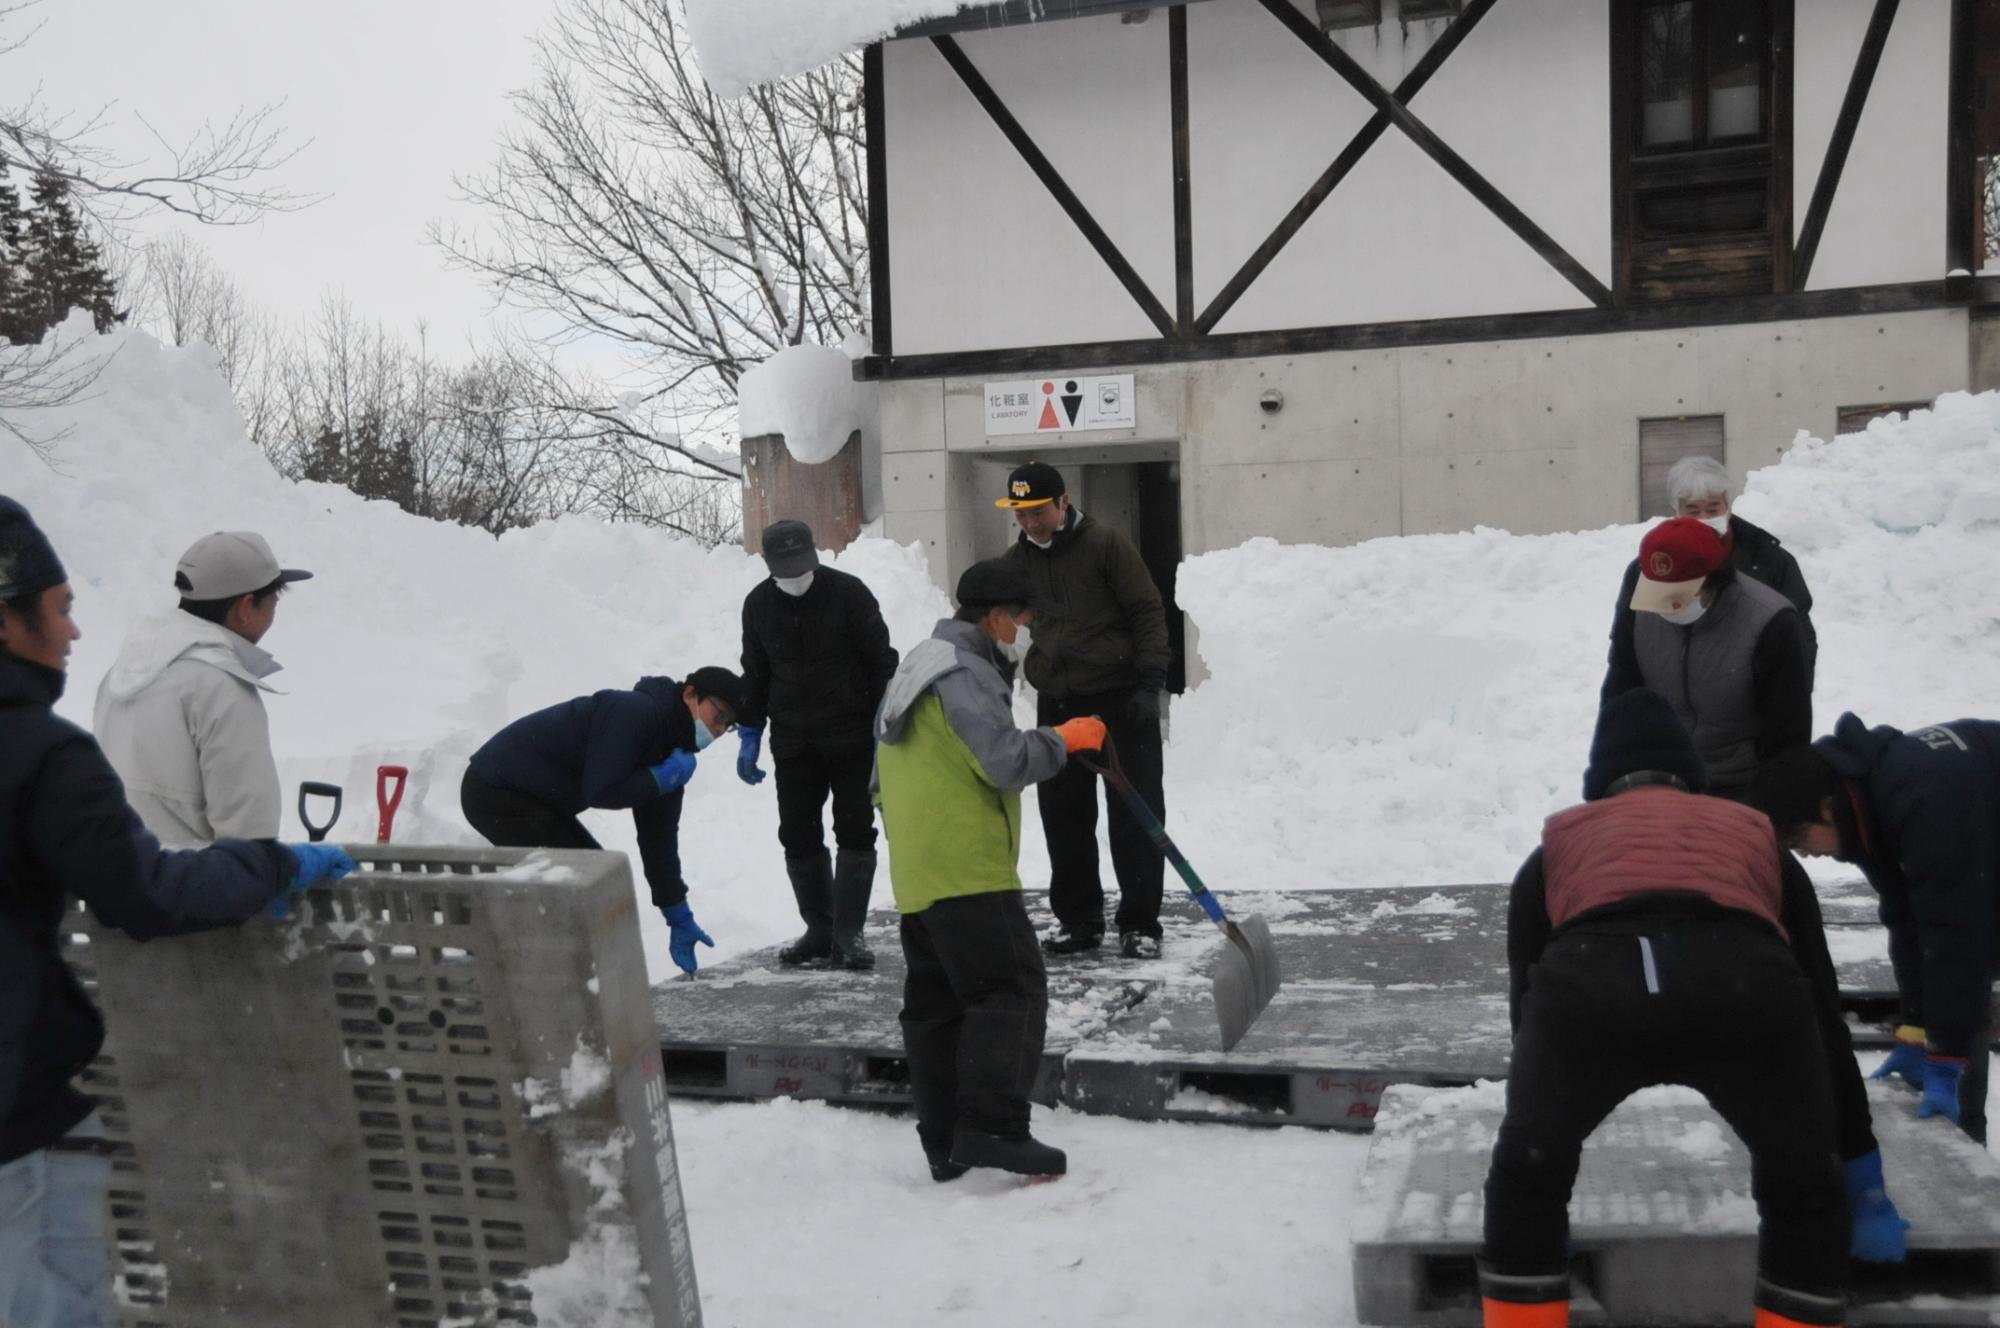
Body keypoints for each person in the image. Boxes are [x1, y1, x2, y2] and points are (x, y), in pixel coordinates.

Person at [0, 496, 355, 1327]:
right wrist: (274, 866)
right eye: (60, 610)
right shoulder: (212, 688)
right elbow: (233, 831)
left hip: (113, 959)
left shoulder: (131, 674)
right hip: (189, 932)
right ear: (246, 607)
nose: (75, 631)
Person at [1478, 689, 1904, 1328]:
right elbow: (1821, 1011)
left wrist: (1541, 1124)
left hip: (1594, 991)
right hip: (1746, 989)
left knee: (1526, 1183)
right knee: (1803, 1192)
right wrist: (1855, 1163)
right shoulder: (1755, 837)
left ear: (1603, 785)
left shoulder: (1559, 847)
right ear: (1692, 781)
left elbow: (1528, 1007)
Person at [873, 558, 1106, 1181]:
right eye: (1024, 619)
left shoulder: (914, 669)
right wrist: (1066, 739)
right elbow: (1003, 760)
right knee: (1012, 990)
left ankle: (944, 1140)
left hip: (919, 876)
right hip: (969, 871)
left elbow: (877, 782)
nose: (1025, 632)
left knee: (937, 1007)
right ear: (996, 616)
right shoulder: (967, 672)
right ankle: (995, 1128)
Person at [1749, 714, 2000, 1144]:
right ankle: (1961, 1129)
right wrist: (1917, 1027)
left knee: (1963, 959)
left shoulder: (1924, 803)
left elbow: (1954, 936)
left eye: (1799, 840)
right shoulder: (1862, 803)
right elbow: (1906, 918)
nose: (1805, 855)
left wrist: (1947, 1054)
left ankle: (1963, 1136)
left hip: (1973, 819)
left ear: (1827, 808)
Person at [460, 666, 745, 976]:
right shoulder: (633, 712)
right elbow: (602, 789)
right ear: (690, 694)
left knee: (591, 877)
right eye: (719, 715)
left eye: (728, 725)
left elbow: (658, 838)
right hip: (494, 789)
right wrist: (660, 780)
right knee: (589, 880)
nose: (718, 729)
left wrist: (677, 911)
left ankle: (532, 965)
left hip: (537, 799)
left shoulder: (672, 751)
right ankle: (515, 960)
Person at [997, 461, 1171, 959]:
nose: (1030, 523)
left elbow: (1147, 612)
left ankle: (1139, 923)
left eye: (1037, 512)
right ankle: (1078, 920)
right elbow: (1000, 619)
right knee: (1064, 815)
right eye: (1020, 514)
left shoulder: (1107, 545)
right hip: (1059, 703)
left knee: (1134, 813)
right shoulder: (1018, 561)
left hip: (1120, 700)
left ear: (1063, 503)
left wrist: (1149, 685)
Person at [736, 519, 899, 970]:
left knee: (854, 829)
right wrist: (750, 730)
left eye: (800, 566)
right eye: (784, 569)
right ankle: (820, 927)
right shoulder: (758, 605)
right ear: (768, 565)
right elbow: (756, 671)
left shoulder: (850, 594)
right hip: (793, 742)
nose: (795, 577)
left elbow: (883, 662)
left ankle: (849, 934)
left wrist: (883, 720)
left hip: (851, 740)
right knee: (797, 833)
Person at [92, 530, 313, 845]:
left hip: (117, 881)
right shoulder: (222, 689)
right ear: (246, 606)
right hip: (194, 888)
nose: (275, 609)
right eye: (274, 598)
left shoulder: (122, 674)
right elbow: (249, 837)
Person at [1601, 515, 1810, 800]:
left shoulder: (1771, 623)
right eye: (1657, 594)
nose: (1665, 607)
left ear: (1714, 579)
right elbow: (1620, 697)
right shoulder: (1641, 609)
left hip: (1741, 786)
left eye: (1677, 596)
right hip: (1661, 781)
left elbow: (1787, 733)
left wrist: (1769, 808)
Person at [1660, 454, 1817, 673]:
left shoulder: (1770, 560)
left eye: (1713, 509)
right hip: (1675, 699)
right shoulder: (1655, 566)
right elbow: (1628, 651)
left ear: (1728, 507)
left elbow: (1801, 639)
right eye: (1693, 511)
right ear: (1675, 513)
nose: (1704, 518)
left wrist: (1790, 698)